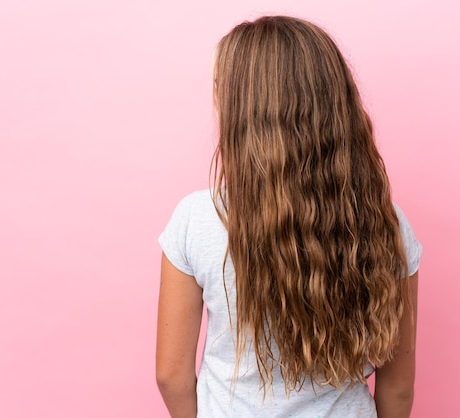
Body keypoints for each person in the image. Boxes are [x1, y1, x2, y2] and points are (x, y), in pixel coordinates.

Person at [156, 15, 422, 418]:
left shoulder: (197, 219)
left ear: (243, 108)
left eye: (219, 89)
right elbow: (398, 387)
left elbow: (171, 377)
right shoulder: (386, 225)